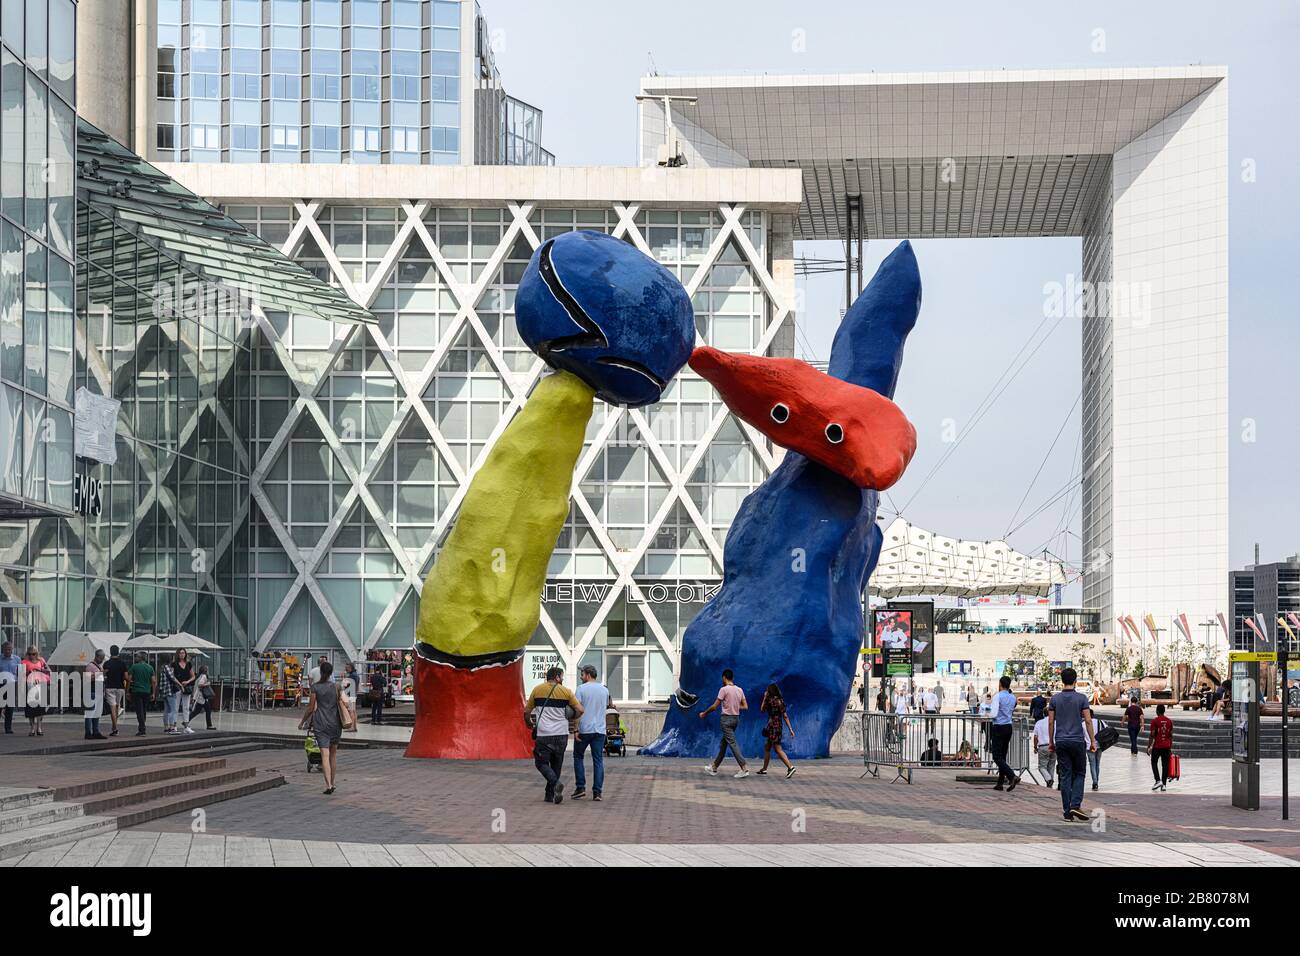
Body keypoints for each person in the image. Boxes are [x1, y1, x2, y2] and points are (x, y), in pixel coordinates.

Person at [525, 666, 582, 804]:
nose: (562, 679)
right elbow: (580, 710)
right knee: (556, 765)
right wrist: (571, 716)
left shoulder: (537, 690)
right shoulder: (566, 692)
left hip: (544, 735)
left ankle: (555, 784)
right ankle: (549, 795)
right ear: (556, 677)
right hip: (561, 735)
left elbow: (527, 711)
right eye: (561, 677)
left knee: (541, 763)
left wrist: (530, 723)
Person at [1048, 666, 1097, 822]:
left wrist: (1050, 741)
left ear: (1062, 681)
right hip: (1077, 741)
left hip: (1061, 740)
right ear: (1075, 681)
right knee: (1080, 773)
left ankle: (1067, 812)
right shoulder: (1082, 698)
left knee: (1065, 775)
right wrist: (1093, 741)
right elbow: (1088, 721)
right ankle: (1075, 804)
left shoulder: (1054, 699)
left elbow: (1050, 722)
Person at [300, 660, 348, 794]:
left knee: (324, 755)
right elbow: (346, 702)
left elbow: (310, 708)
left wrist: (303, 721)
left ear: (321, 672)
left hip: (320, 723)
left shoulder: (315, 687)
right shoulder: (337, 687)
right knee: (333, 755)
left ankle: (328, 785)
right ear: (331, 673)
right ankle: (332, 782)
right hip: (335, 724)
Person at [699, 668, 749, 778]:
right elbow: (745, 706)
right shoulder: (739, 690)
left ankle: (744, 768)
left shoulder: (724, 689)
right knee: (724, 744)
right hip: (736, 719)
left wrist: (704, 713)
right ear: (733, 678)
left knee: (732, 743)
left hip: (726, 720)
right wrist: (735, 706)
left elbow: (714, 706)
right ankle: (714, 767)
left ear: (724, 678)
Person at [572, 664, 610, 800]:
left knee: (578, 757)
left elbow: (578, 711)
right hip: (600, 730)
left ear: (587, 675)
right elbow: (604, 707)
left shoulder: (581, 689)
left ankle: (580, 787)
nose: (581, 677)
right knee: (598, 760)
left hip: (584, 729)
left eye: (582, 674)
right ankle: (597, 792)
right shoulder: (604, 690)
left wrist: (575, 729)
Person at [757, 682, 796, 778]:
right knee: (767, 747)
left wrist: (765, 698)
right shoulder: (780, 701)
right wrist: (790, 729)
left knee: (778, 749)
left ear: (769, 691)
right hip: (778, 726)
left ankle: (790, 767)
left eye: (767, 690)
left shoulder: (769, 700)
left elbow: (762, 710)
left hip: (772, 727)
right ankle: (764, 769)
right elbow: (785, 716)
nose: (766, 692)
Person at [989, 675, 1019, 792]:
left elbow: (994, 713)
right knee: (1003, 755)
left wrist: (987, 714)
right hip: (1008, 726)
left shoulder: (998, 696)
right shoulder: (1013, 697)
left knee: (997, 756)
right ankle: (1000, 782)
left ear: (1000, 684)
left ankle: (1012, 776)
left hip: (999, 727)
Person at [23, 647, 50, 736]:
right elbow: (20, 674)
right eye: (30, 654)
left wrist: (40, 670)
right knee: (30, 709)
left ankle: (39, 727)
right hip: (30, 686)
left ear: (37, 653)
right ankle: (32, 728)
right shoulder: (24, 662)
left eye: (33, 654)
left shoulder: (41, 660)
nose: (32, 656)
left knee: (40, 708)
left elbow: (48, 670)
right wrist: (28, 672)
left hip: (40, 685)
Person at [126, 652, 155, 736]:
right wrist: (153, 693)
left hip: (136, 691)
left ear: (140, 658)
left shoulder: (134, 667)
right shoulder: (150, 667)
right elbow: (153, 681)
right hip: (146, 691)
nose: (135, 658)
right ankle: (142, 727)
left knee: (139, 711)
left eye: (137, 656)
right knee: (144, 710)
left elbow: (129, 679)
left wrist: (127, 691)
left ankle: (142, 729)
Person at [1148, 703, 1175, 791]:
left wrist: (1148, 746)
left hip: (1157, 746)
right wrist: (1170, 747)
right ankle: (1164, 785)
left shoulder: (1155, 721)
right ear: (1164, 711)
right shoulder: (1169, 721)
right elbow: (1170, 735)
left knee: (1154, 762)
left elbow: (1152, 734)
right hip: (1166, 746)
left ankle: (1157, 780)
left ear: (1157, 711)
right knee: (1165, 765)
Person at [102, 645, 128, 737]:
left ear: (110, 652)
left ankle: (115, 728)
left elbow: (103, 675)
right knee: (117, 707)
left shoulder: (107, 664)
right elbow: (126, 677)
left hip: (110, 687)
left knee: (112, 708)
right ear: (118, 652)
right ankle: (114, 728)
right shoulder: (122, 663)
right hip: (120, 687)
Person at [83, 649, 107, 740]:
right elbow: (88, 678)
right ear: (96, 656)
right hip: (91, 691)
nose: (102, 660)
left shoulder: (99, 666)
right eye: (101, 658)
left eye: (103, 658)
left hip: (98, 692)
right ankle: (88, 732)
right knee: (90, 713)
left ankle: (96, 731)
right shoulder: (90, 666)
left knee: (96, 713)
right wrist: (100, 674)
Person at [173, 649, 197, 734]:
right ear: (177, 654)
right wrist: (179, 684)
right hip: (177, 687)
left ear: (185, 654)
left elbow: (193, 676)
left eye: (183, 653)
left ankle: (186, 726)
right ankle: (174, 726)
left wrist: (187, 682)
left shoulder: (188, 664)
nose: (181, 654)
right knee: (175, 707)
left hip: (186, 687)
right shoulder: (174, 664)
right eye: (180, 653)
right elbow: (172, 676)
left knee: (186, 707)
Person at [1032, 708, 1056, 788]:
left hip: (1043, 746)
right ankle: (1050, 782)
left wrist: (1035, 747)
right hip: (1054, 746)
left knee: (1042, 767)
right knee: (1051, 766)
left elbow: (1035, 736)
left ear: (1043, 714)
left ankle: (1049, 779)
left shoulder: (1039, 722)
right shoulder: (1055, 722)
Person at [0, 641, 20, 734]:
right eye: (6, 649)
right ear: (2, 649)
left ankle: (8, 728)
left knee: (10, 708)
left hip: (12, 685)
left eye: (10, 649)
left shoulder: (17, 659)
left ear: (12, 649)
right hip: (1, 685)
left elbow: (20, 673)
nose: (8, 651)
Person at [191, 665, 215, 730]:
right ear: (205, 671)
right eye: (207, 669)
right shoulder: (204, 676)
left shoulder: (198, 676)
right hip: (201, 697)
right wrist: (207, 684)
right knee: (201, 711)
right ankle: (209, 726)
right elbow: (200, 685)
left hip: (200, 697)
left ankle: (209, 725)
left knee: (200, 711)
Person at [1085, 712, 1102, 791]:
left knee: (1092, 764)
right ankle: (1096, 781)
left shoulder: (1083, 724)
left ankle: (1095, 782)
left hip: (1089, 746)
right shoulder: (1100, 722)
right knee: (1097, 764)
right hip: (1099, 745)